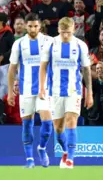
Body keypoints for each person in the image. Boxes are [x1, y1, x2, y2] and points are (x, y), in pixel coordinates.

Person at [39, 17, 94, 169]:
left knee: (71, 120)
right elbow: (43, 66)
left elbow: (87, 70)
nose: (65, 36)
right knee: (58, 128)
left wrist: (89, 93)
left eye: (68, 33)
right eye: (63, 32)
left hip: (74, 90)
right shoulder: (50, 44)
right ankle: (65, 151)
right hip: (54, 91)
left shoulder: (80, 45)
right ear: (58, 30)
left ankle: (70, 159)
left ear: (74, 30)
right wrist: (42, 87)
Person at [7, 12, 54, 168]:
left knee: (48, 124)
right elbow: (12, 69)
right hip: (25, 90)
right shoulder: (19, 44)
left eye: (35, 26)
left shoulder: (49, 41)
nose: (33, 29)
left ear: (40, 26)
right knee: (27, 124)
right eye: (30, 26)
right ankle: (29, 160)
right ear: (26, 26)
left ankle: (41, 148)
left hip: (44, 89)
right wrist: (10, 90)